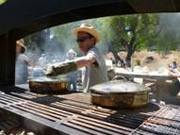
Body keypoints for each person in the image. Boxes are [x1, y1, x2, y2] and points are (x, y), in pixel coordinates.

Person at [45, 23, 108, 93]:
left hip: (99, 99)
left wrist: (60, 68)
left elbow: (89, 59)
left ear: (92, 40)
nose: (79, 43)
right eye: (78, 40)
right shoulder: (88, 53)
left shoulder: (94, 51)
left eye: (82, 39)